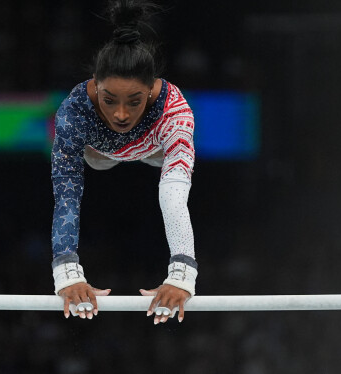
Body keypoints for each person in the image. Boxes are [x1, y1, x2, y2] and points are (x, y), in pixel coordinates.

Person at [51, 0, 197, 325]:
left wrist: (182, 273)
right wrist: (66, 272)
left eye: (134, 101)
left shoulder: (175, 112)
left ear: (151, 90)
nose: (120, 113)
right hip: (98, 155)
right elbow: (67, 194)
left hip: (154, 148)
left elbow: (172, 195)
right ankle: (122, 151)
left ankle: (148, 148)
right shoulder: (73, 114)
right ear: (95, 84)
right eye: (108, 99)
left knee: (167, 162)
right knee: (96, 162)